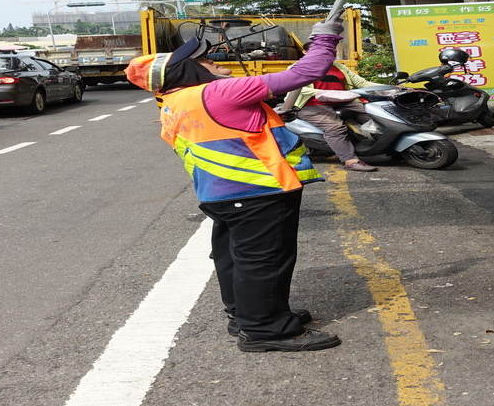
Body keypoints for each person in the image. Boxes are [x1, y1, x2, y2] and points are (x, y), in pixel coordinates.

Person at [125, 18, 345, 354]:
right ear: (185, 72)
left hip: (222, 195)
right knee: (264, 261)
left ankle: (245, 315)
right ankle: (266, 330)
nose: (213, 59)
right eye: (202, 59)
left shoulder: (176, 102)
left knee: (235, 258)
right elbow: (303, 73)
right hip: (258, 191)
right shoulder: (219, 91)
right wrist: (324, 39)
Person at [281, 60, 385, 172]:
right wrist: (321, 92)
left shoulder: (339, 66)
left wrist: (391, 87)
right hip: (312, 104)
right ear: (306, 52)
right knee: (335, 127)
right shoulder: (298, 67)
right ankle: (350, 161)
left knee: (378, 116)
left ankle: (392, 148)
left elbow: (362, 84)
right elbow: (295, 87)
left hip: (342, 101)